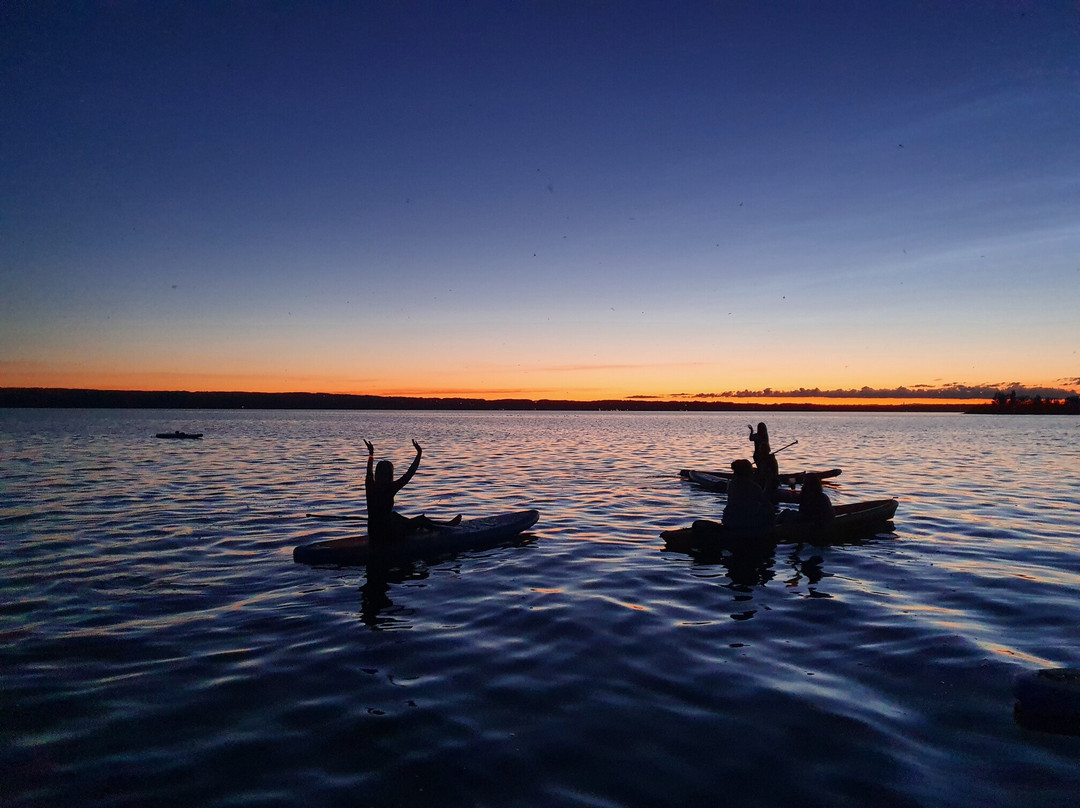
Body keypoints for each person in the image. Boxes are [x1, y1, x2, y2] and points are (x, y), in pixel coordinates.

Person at [364, 439, 460, 541]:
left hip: (373, 532)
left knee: (394, 515)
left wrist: (371, 453)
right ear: (390, 474)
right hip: (388, 534)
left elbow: (369, 470)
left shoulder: (370, 485)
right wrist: (419, 454)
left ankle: (416, 525)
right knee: (421, 520)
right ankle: (444, 527)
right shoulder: (391, 487)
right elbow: (410, 473)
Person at [722, 459, 775, 530]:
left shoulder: (731, 484)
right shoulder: (753, 487)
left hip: (729, 520)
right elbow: (766, 503)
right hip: (748, 522)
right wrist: (768, 482)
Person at [748, 422, 780, 495]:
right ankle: (763, 478)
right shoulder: (764, 436)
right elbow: (752, 439)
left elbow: (751, 438)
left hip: (758, 455)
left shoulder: (758, 436)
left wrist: (752, 431)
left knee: (761, 468)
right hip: (762, 455)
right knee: (762, 468)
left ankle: (761, 479)